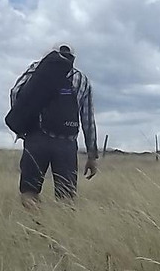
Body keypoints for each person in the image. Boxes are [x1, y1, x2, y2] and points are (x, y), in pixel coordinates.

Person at [7, 44, 98, 208]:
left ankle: (38, 225)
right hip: (66, 143)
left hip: (36, 137)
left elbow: (15, 92)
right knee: (66, 197)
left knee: (29, 192)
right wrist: (92, 155)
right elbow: (88, 118)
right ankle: (60, 229)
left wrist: (22, 126)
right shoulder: (82, 79)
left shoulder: (36, 70)